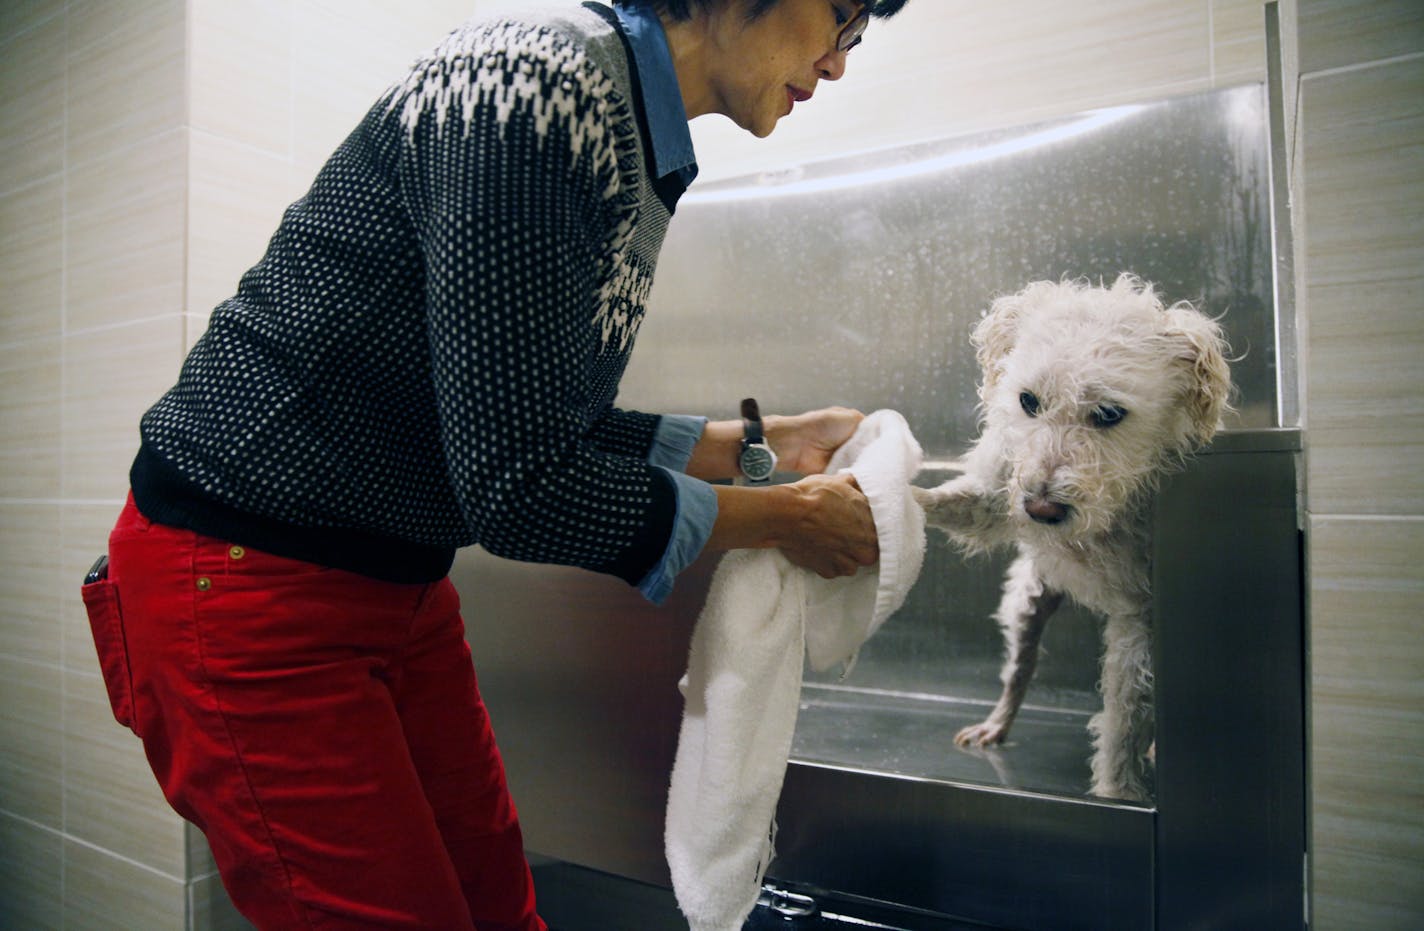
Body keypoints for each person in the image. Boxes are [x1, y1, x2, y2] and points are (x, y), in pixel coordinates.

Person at [81, 1, 912, 928]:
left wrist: (757, 446)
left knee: (499, 906)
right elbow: (522, 487)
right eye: (840, 17)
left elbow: (536, 415)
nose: (837, 63)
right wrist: (789, 514)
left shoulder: (629, 129)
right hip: (243, 576)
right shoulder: (538, 85)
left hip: (392, 581)